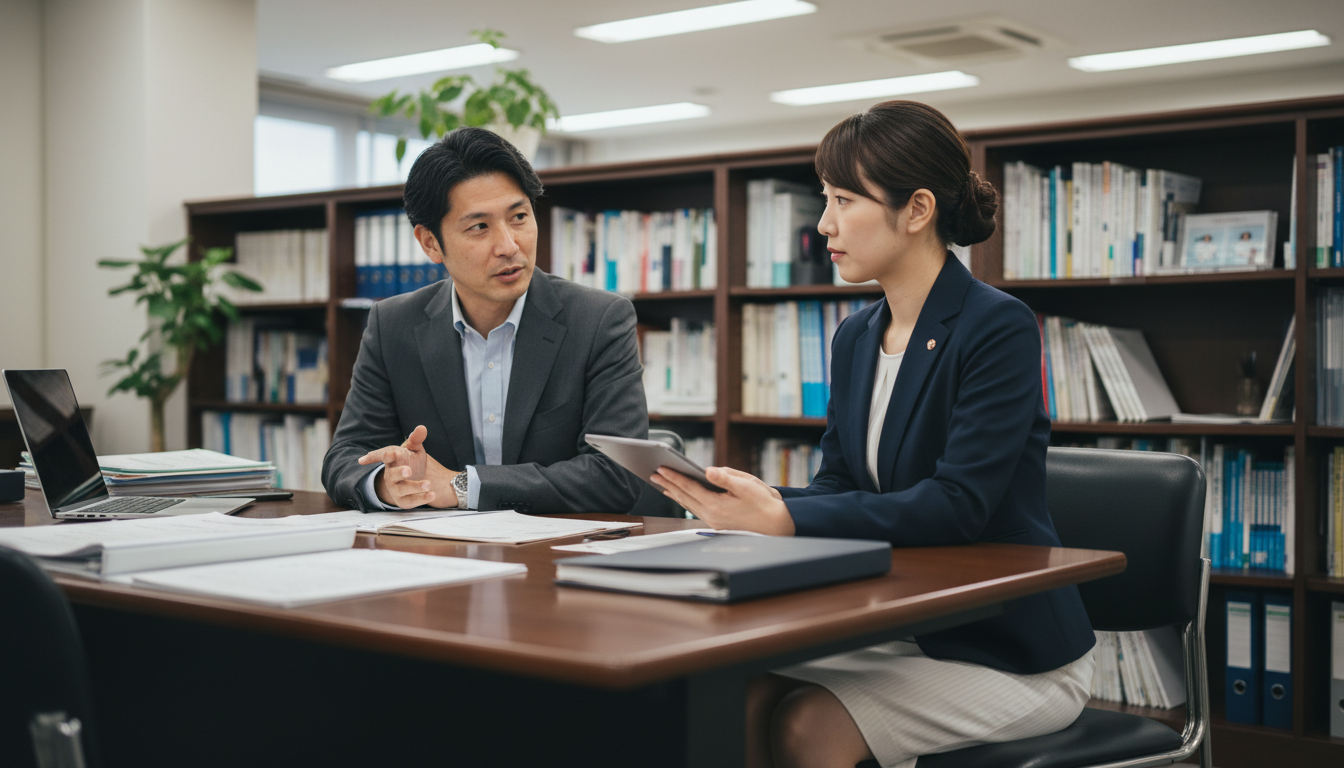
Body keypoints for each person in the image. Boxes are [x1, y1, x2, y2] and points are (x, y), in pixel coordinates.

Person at [652, 102, 1096, 768]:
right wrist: (756, 501)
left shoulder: (997, 326)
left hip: (1011, 649)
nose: (823, 224)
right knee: (734, 695)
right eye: (824, 199)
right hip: (905, 626)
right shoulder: (855, 335)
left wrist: (784, 521)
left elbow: (958, 505)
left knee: (809, 725)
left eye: (843, 199)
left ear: (917, 210)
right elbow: (839, 483)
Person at [322, 127, 647, 514]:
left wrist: (462, 486)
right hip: (438, 547)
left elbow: (617, 476)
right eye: (479, 227)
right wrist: (388, 483)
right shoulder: (393, 325)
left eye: (519, 217)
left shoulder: (599, 321)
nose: (509, 245)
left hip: (559, 546)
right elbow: (345, 457)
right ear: (430, 243)